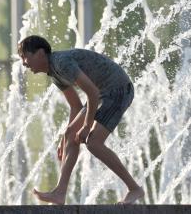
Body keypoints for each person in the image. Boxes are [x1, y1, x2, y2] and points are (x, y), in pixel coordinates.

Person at [18, 35, 144, 205]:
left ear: (40, 53)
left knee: (93, 142)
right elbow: (76, 106)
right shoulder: (54, 73)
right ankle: (60, 193)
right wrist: (67, 134)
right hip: (102, 93)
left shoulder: (61, 63)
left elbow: (92, 93)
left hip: (118, 89)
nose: (24, 63)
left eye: (25, 56)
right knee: (70, 134)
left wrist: (86, 126)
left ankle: (134, 188)